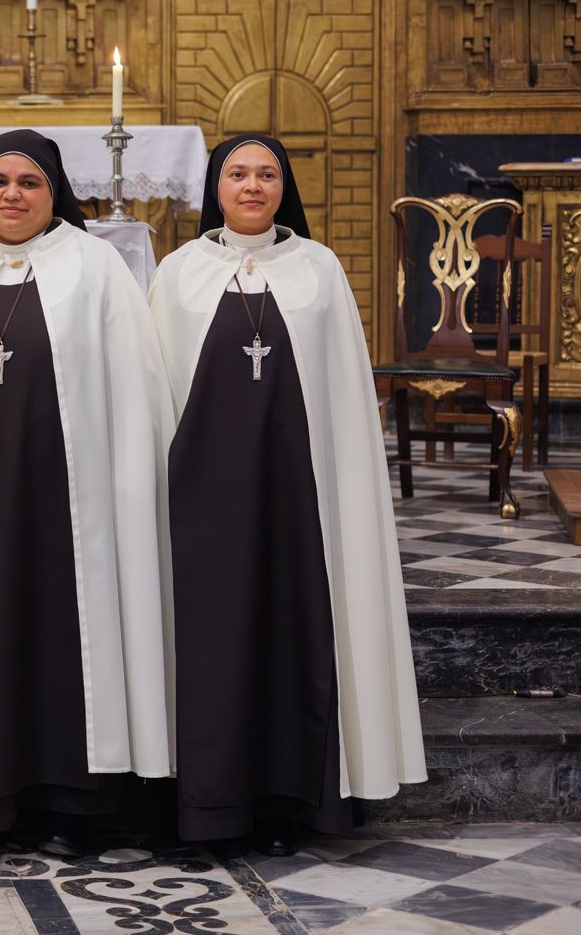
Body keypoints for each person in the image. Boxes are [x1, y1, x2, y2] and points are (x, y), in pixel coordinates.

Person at [0, 130, 176, 847]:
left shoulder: (96, 266)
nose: (11, 194)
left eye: (28, 182)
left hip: (70, 499)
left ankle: (74, 808)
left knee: (65, 636)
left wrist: (132, 485)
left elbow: (136, 383)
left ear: (55, 194)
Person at [148, 135, 426, 856]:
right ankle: (209, 804)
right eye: (237, 173)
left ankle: (292, 800)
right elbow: (152, 395)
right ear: (216, 186)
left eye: (266, 174)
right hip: (199, 503)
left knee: (295, 630)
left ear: (283, 186)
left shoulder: (319, 269)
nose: (251, 185)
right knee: (209, 642)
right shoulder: (177, 274)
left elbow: (341, 393)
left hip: (300, 498)